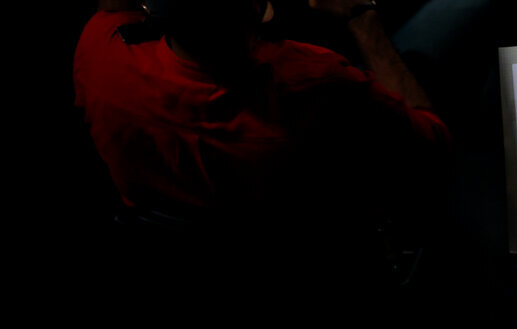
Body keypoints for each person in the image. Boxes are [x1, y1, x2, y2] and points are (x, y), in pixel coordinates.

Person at [74, 1, 450, 223]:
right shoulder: (313, 80)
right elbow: (432, 143)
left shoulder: (100, 55)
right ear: (258, 9)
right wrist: (360, 17)